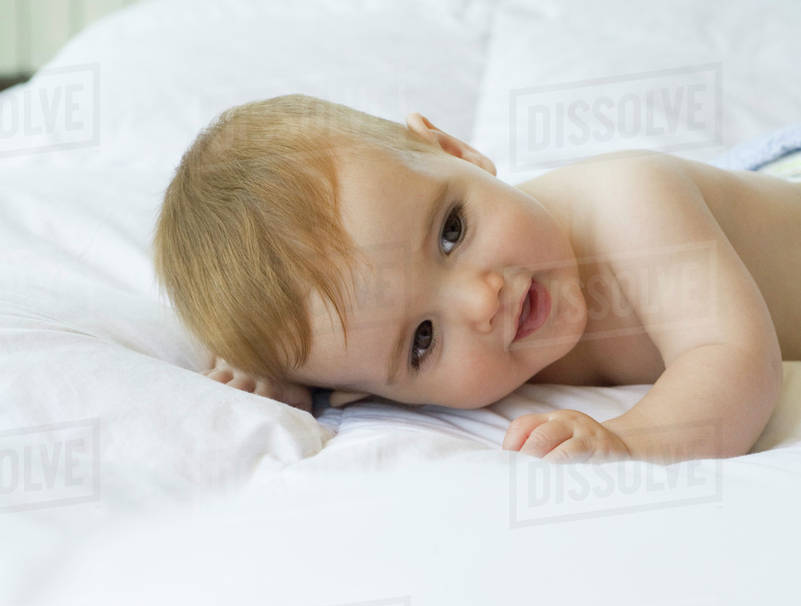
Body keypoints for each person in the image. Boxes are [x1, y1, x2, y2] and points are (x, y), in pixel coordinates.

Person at [152, 94, 801, 463]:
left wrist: (630, 445)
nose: (479, 301)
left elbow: (737, 360)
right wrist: (280, 376)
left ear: (457, 152)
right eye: (422, 341)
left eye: (452, 232)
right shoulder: (366, 358)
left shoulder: (632, 205)